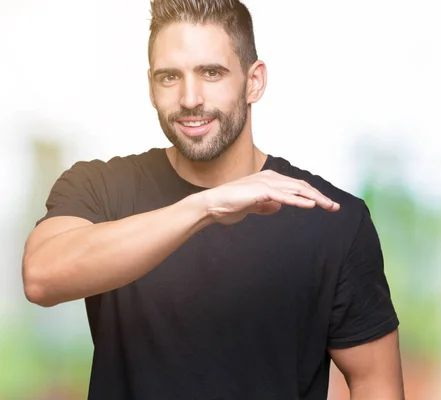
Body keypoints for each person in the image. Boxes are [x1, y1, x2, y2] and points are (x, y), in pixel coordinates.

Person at [21, 0, 405, 398]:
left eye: (211, 72)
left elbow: (376, 384)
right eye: (170, 77)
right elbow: (42, 277)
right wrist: (206, 206)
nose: (190, 98)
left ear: (253, 81)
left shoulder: (332, 220)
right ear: (151, 87)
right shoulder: (99, 186)